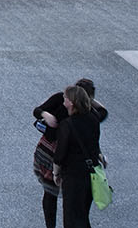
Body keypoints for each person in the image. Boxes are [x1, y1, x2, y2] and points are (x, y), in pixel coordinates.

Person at [34, 78, 107, 228]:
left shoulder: (86, 114)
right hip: (53, 153)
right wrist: (46, 115)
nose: (64, 100)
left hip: (65, 159)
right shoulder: (82, 112)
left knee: (71, 206)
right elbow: (37, 111)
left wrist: (56, 172)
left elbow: (100, 116)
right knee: (51, 193)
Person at [51, 84, 102, 228]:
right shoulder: (94, 118)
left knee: (72, 217)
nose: (63, 100)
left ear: (71, 103)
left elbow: (60, 153)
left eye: (65, 98)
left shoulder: (67, 125)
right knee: (83, 215)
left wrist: (56, 173)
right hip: (90, 174)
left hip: (73, 176)